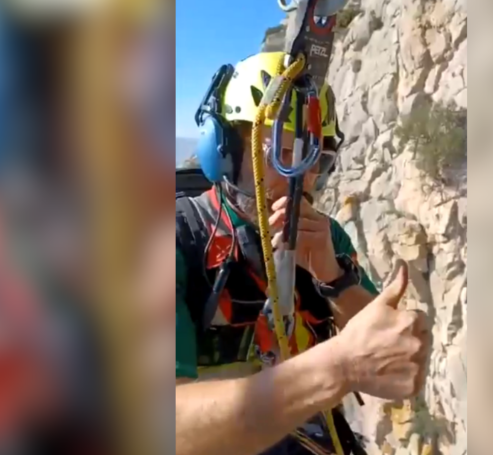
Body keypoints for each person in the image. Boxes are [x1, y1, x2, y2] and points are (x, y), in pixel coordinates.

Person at [175, 51, 431, 455]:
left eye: (317, 158)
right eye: (283, 153)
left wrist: (334, 276)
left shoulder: (325, 236)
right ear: (223, 152)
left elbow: (379, 348)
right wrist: (337, 367)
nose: (304, 178)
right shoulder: (175, 239)